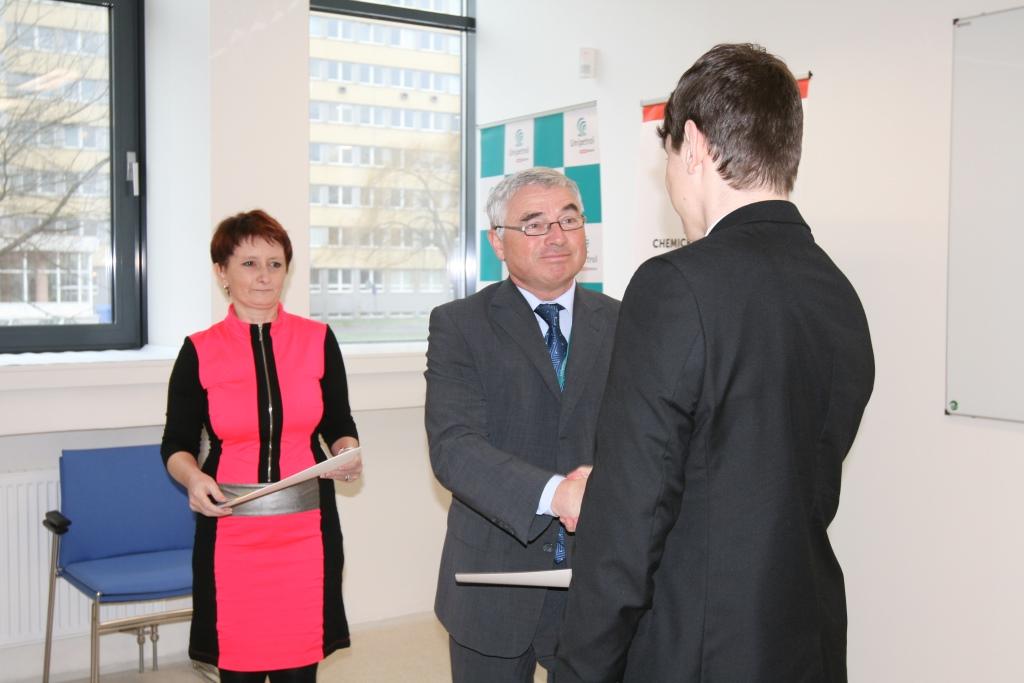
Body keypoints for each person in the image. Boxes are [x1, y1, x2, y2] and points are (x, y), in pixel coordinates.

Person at [554, 44, 875, 682]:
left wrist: (580, 670)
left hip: (698, 650)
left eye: (669, 156)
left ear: (695, 145)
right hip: (806, 639)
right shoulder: (836, 290)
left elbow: (630, 522)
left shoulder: (675, 285)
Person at [425, 167, 620, 682]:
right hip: (493, 580)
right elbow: (454, 448)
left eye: (569, 220)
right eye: (534, 224)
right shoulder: (459, 324)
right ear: (498, 241)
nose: (556, 236)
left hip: (598, 580)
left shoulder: (625, 321)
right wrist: (557, 494)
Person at [161, 209, 363, 683]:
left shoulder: (318, 340)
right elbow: (176, 444)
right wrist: (193, 479)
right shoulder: (199, 349)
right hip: (231, 533)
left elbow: (339, 422)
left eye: (275, 264)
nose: (264, 276)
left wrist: (346, 452)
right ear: (222, 272)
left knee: (299, 671)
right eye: (249, 263)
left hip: (306, 530)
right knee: (239, 671)